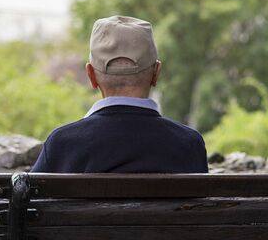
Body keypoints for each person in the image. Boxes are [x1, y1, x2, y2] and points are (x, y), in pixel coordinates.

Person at [31, 15, 208, 173]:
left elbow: (27, 202)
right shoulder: (189, 144)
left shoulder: (62, 145)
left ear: (91, 76)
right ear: (156, 74)